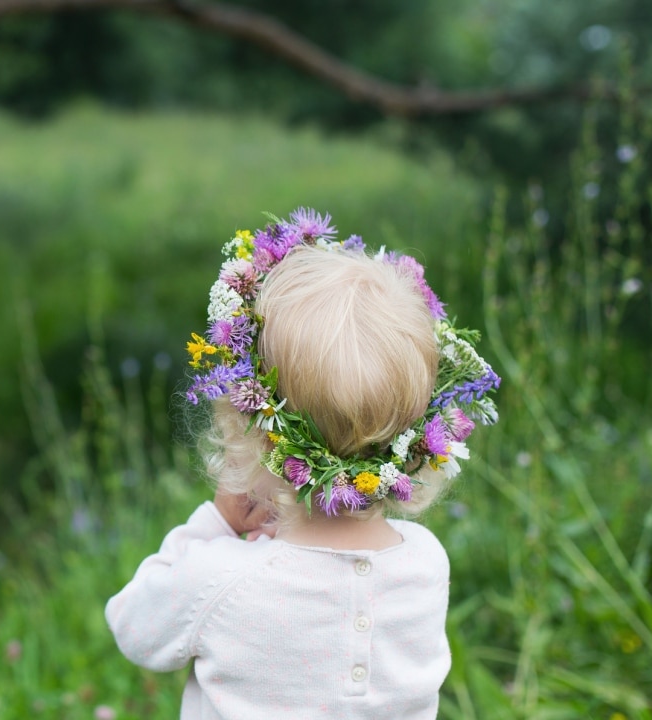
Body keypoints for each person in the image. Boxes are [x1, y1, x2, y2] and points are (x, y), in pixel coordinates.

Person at [105, 209, 500, 719]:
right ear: (418, 437)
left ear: (252, 431)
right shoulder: (424, 563)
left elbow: (132, 626)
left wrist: (217, 523)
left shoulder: (223, 577)